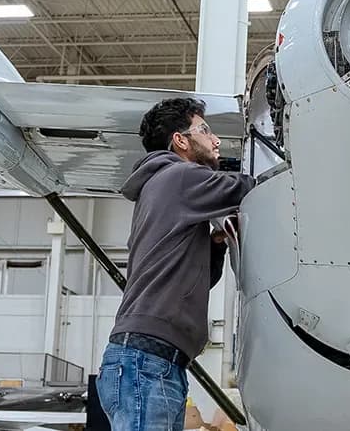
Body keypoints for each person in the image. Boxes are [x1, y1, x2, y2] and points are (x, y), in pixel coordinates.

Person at [97, 97, 254, 431]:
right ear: (180, 140)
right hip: (147, 363)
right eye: (205, 130)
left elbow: (200, 281)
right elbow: (245, 188)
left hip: (153, 364)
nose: (216, 140)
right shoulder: (179, 176)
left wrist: (214, 243)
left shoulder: (165, 187)